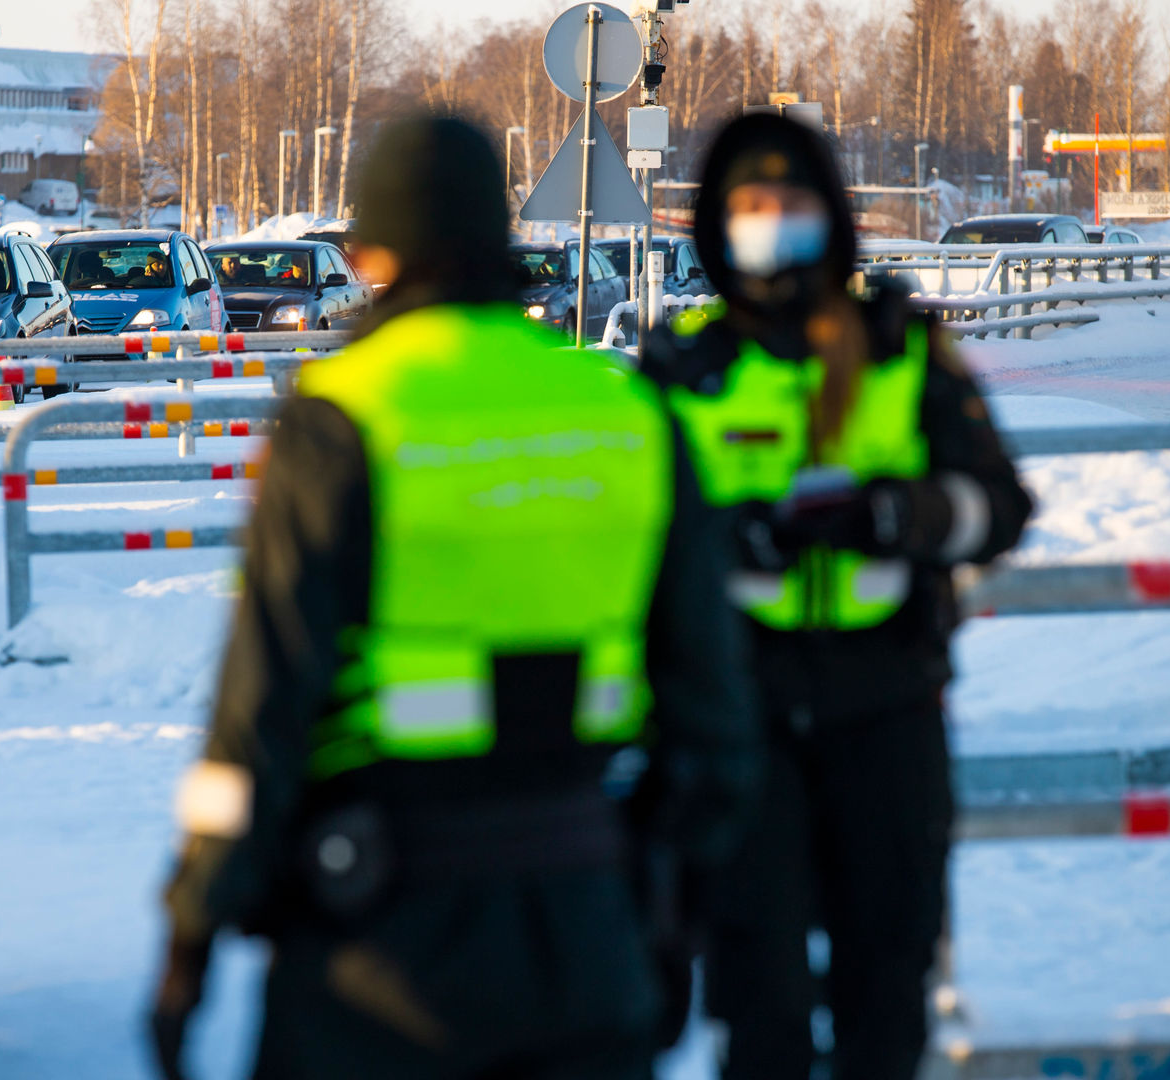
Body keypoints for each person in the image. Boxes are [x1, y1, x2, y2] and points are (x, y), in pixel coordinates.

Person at [150, 114, 762, 1080]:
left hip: (377, 961)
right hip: (584, 932)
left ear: (371, 254)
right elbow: (715, 711)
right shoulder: (630, 415)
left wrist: (194, 925)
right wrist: (665, 900)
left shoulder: (343, 416)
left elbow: (262, 704)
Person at [639, 113, 1033, 1079]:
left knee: (887, 995)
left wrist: (901, 515)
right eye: (753, 203)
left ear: (832, 215)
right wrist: (724, 541)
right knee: (760, 1004)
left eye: (793, 201)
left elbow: (1000, 506)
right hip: (742, 726)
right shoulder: (682, 370)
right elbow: (628, 541)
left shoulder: (902, 349)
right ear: (718, 222)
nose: (774, 221)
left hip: (888, 711)